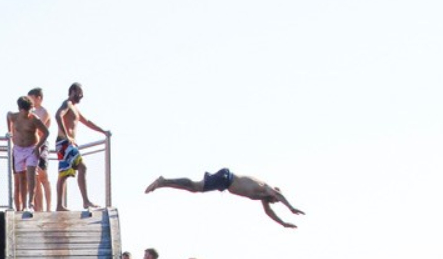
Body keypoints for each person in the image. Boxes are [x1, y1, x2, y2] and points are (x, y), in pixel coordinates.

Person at [145, 170, 307, 228]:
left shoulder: (263, 198)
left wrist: (283, 223)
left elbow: (269, 213)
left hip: (225, 182)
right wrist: (291, 208)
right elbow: (278, 195)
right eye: (275, 199)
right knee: (195, 187)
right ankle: (163, 181)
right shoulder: (266, 188)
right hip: (226, 178)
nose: (274, 201)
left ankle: (163, 182)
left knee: (195, 188)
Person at [54, 83, 108, 211]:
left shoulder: (75, 109)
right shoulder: (67, 104)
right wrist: (67, 135)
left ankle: (59, 205)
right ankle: (85, 201)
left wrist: (103, 131)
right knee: (81, 167)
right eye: (79, 93)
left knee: (64, 174)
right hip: (64, 142)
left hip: (67, 143)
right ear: (72, 91)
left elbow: (87, 122)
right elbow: (58, 115)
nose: (81, 96)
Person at [6, 96, 48, 212]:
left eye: (30, 110)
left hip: (31, 149)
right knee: (21, 178)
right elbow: (7, 115)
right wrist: (10, 132)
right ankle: (24, 204)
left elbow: (46, 132)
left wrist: (38, 146)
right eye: (26, 110)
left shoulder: (34, 119)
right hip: (18, 149)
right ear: (20, 109)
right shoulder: (14, 117)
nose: (28, 113)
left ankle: (30, 203)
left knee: (31, 176)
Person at [27, 88, 52, 212]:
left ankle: (48, 208)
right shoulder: (30, 112)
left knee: (43, 176)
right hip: (32, 145)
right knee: (35, 177)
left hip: (41, 144)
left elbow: (38, 127)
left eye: (31, 98)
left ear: (38, 98)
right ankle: (39, 208)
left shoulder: (43, 111)